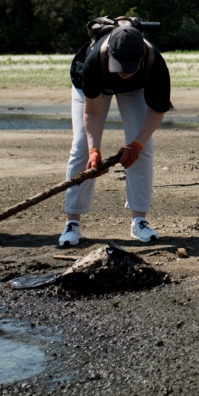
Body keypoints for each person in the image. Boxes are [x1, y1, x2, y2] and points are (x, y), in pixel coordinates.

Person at [60, 22, 173, 247]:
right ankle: (72, 222)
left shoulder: (155, 64)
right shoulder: (93, 62)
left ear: (141, 56)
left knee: (144, 147)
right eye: (119, 64)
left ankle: (139, 221)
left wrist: (136, 145)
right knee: (82, 147)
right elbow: (91, 112)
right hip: (92, 88)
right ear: (110, 52)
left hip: (136, 89)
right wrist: (94, 150)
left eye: (129, 66)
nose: (123, 71)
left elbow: (157, 110)